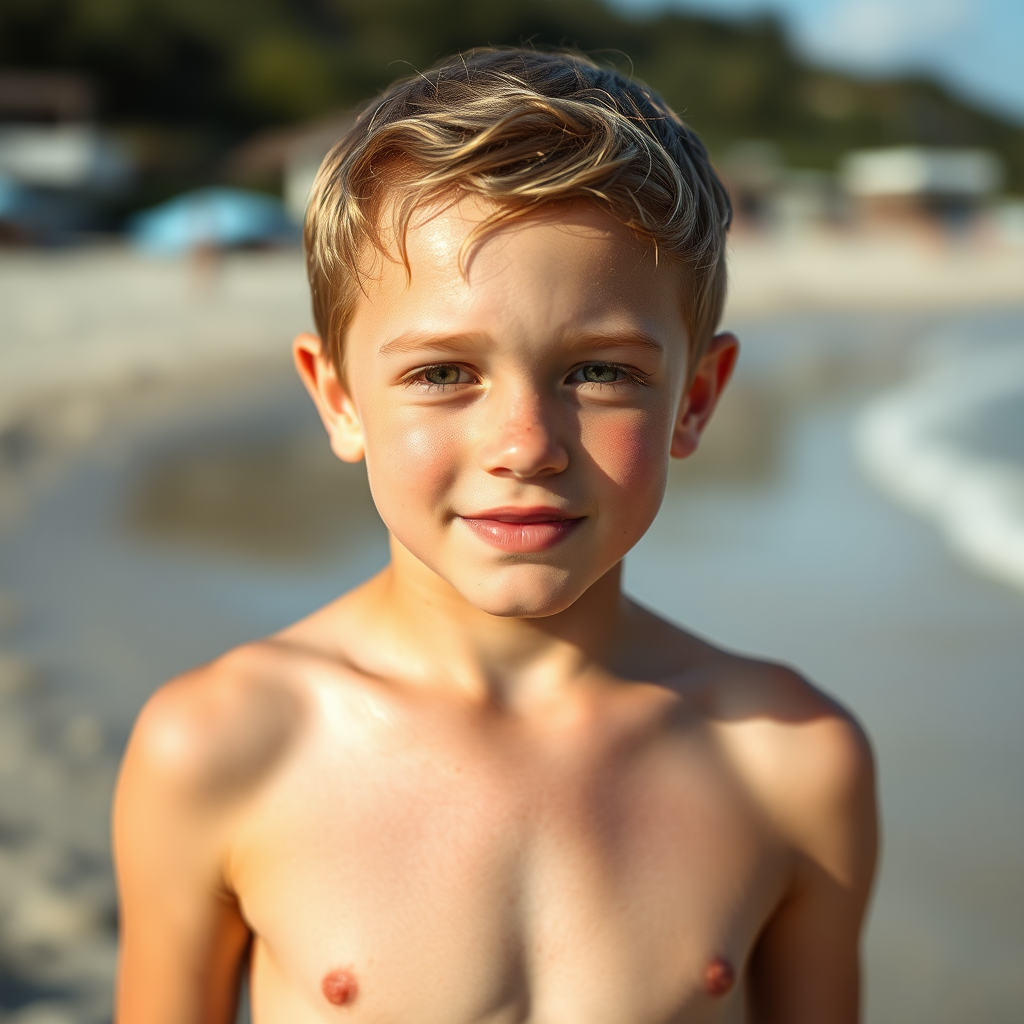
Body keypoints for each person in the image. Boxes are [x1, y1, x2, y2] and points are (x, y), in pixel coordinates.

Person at [113, 47, 877, 1023]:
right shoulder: (225, 745)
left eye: (598, 372)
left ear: (696, 398)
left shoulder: (790, 759)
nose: (525, 446)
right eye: (442, 373)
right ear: (338, 398)